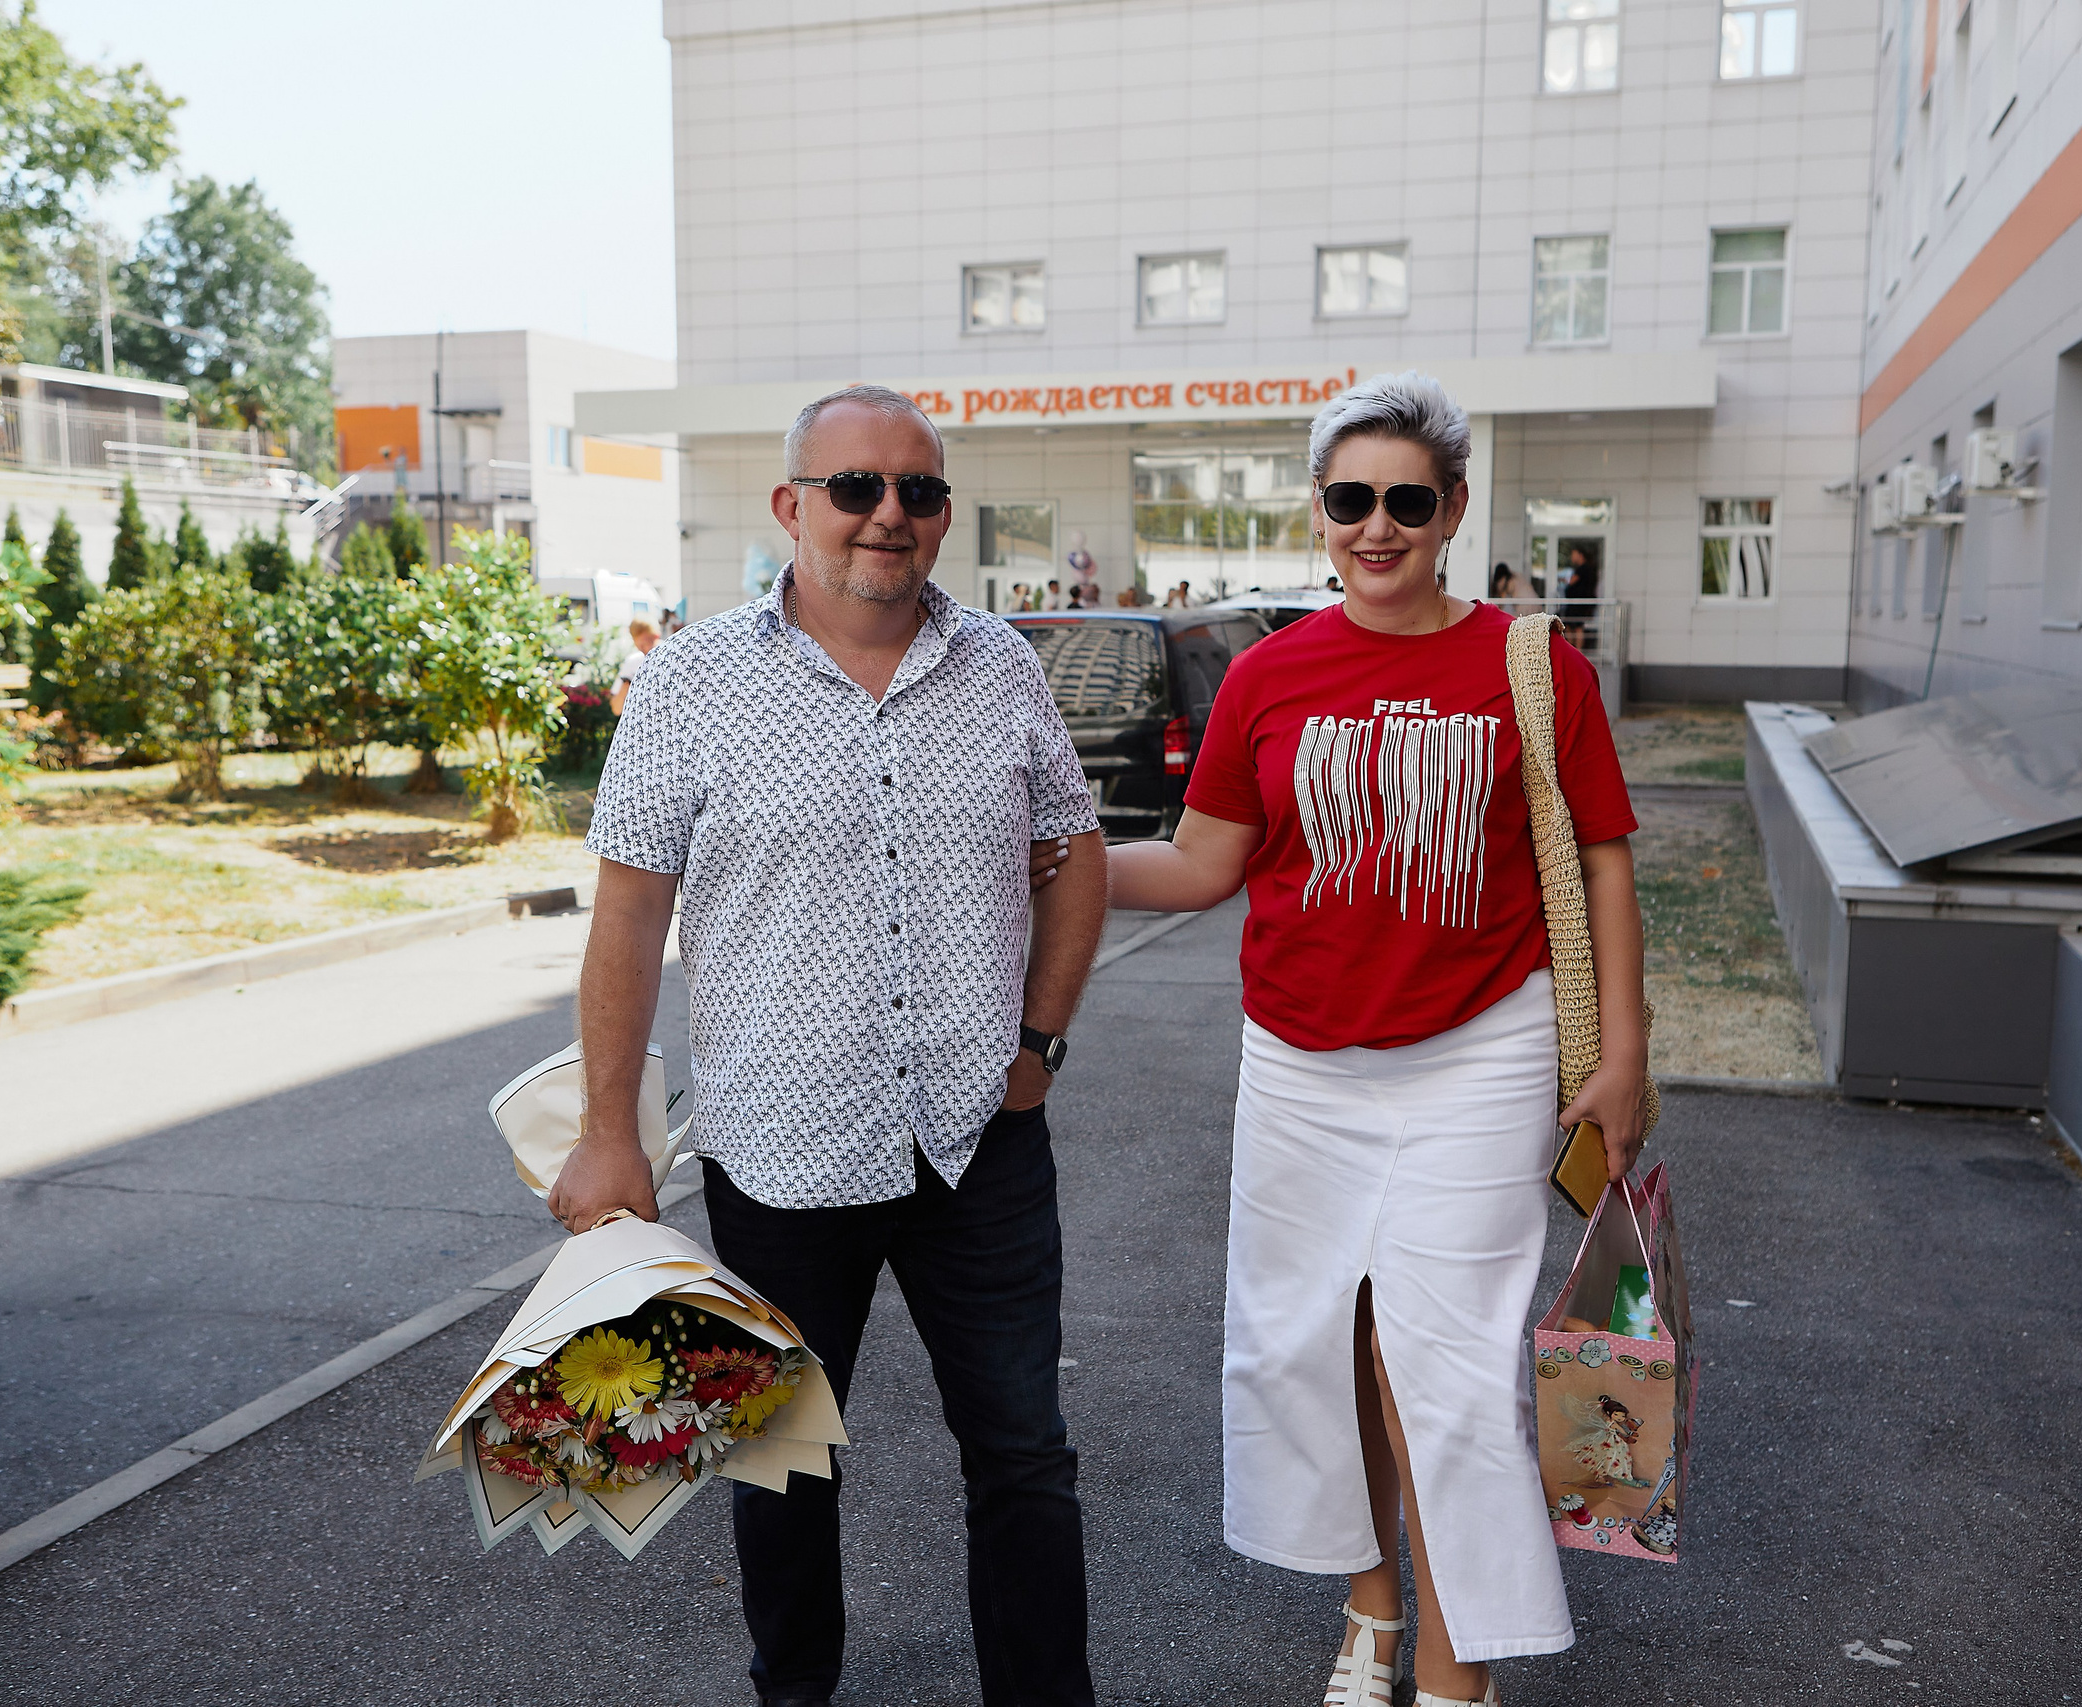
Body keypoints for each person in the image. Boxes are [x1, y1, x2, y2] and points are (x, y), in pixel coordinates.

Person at [559, 384, 1110, 1707]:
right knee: (783, 1451)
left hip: (980, 1139)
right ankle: (794, 1689)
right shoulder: (691, 678)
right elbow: (631, 909)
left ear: (943, 516)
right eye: (856, 486)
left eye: (918, 492)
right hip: (781, 1151)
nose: (887, 516)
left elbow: (1074, 851)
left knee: (1024, 1454)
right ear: (791, 503)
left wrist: (1040, 1036)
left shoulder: (1003, 667)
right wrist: (606, 1127)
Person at [1105, 372, 1647, 1707]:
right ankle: (1372, 1605)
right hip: (1299, 1057)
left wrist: (1622, 1048)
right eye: (1353, 498)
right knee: (1318, 1337)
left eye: (1410, 499)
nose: (1378, 525)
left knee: (1447, 1357)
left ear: (1453, 507)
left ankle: (1460, 1671)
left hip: (1486, 1043)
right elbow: (1199, 863)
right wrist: (1049, 856)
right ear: (1320, 509)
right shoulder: (1270, 675)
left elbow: (1604, 856)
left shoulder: (1532, 663)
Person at [609, 618, 661, 715]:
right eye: (639, 646)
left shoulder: (670, 658)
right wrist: (627, 686)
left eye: (645, 644)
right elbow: (616, 709)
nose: (643, 650)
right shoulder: (632, 662)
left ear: (656, 636)